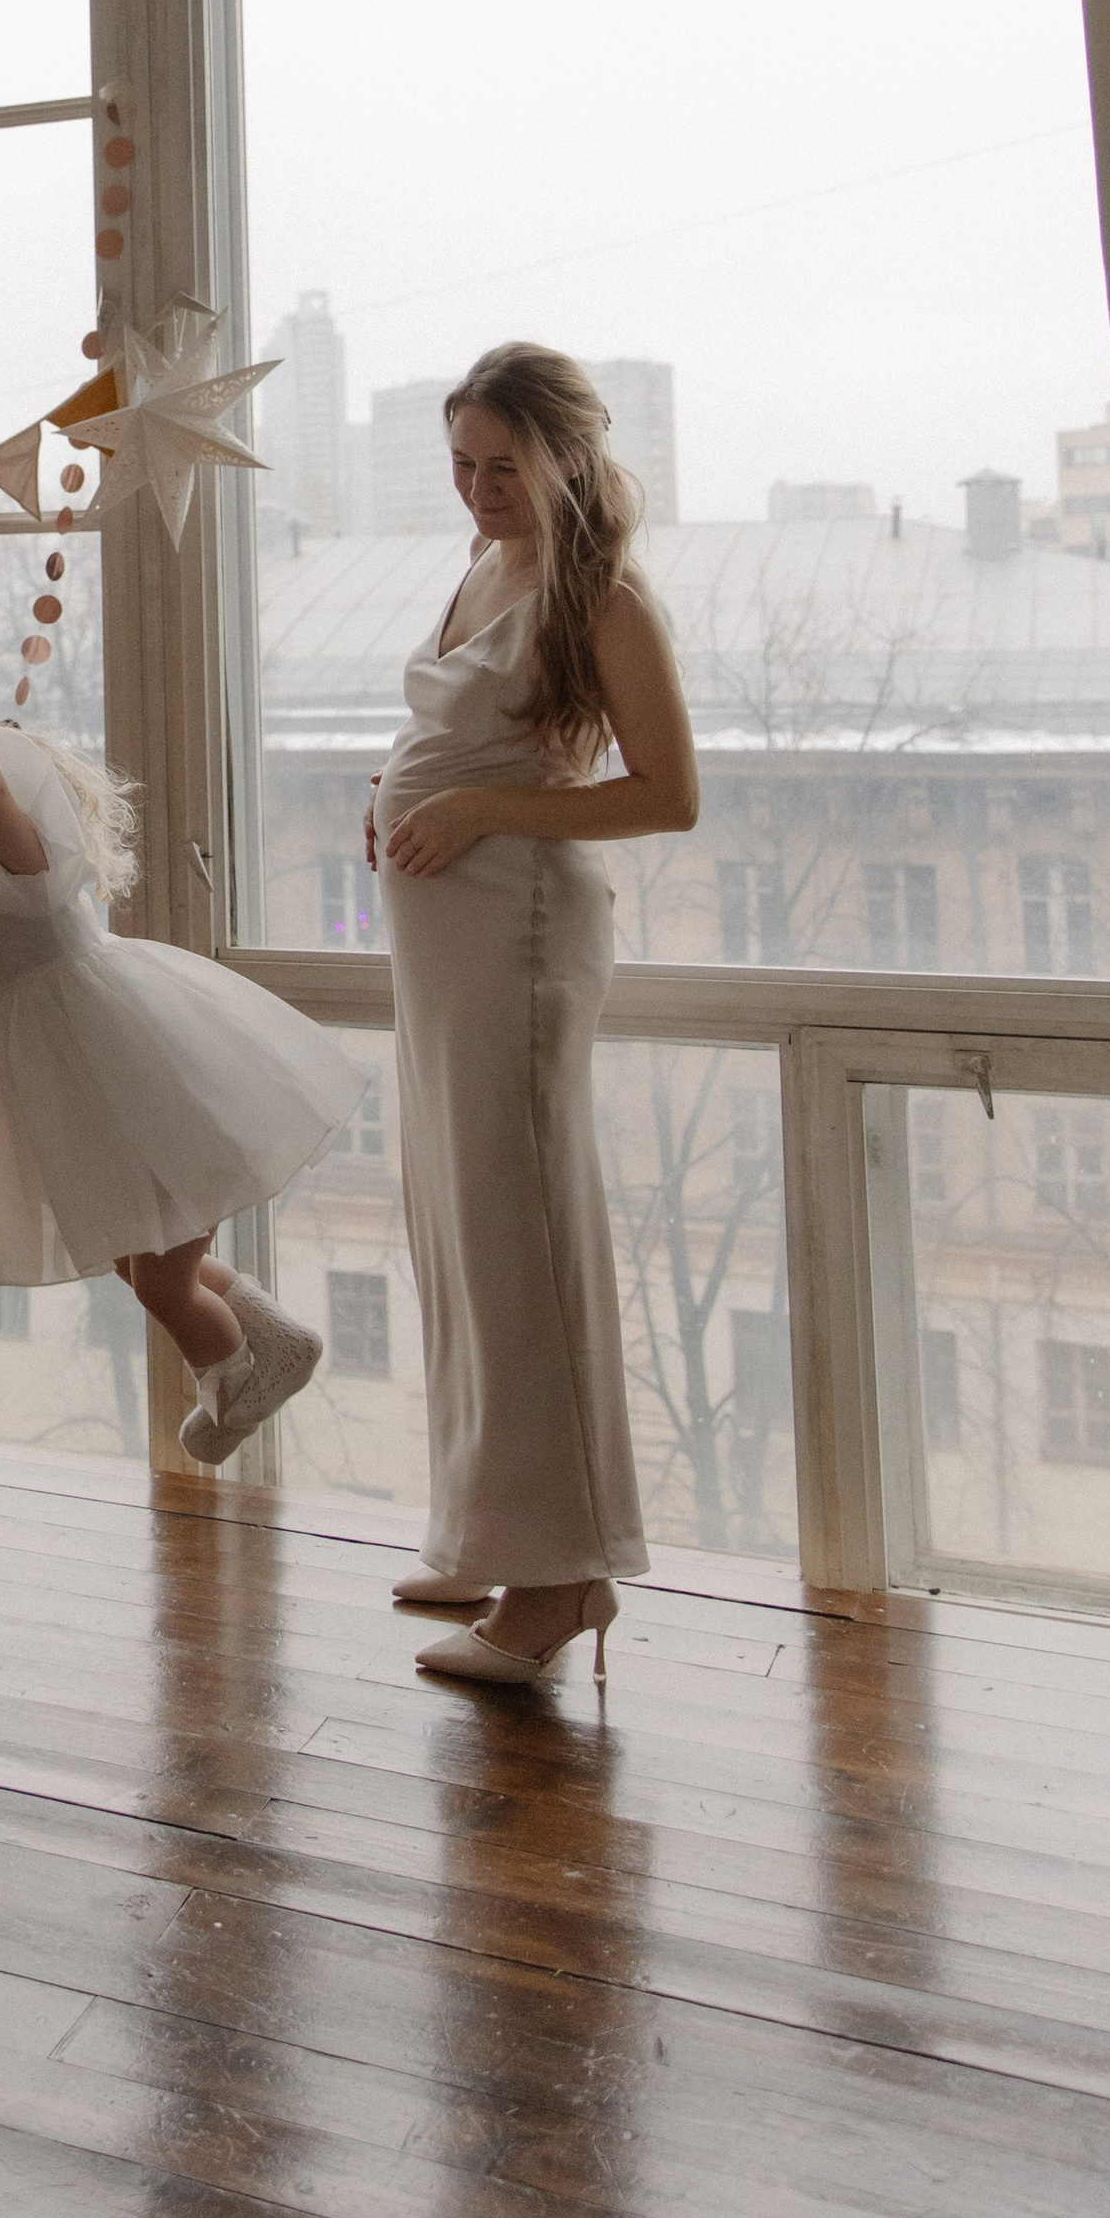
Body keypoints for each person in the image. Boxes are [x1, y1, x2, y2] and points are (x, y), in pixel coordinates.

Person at [367, 341, 698, 1688]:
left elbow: (668, 796)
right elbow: (467, 735)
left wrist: (474, 808)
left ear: (567, 455)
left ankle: (562, 1579)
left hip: (521, 933)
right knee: (452, 1222)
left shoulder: (604, 595)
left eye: (503, 464)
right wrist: (395, 794)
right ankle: (488, 1524)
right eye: (461, 464)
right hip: (446, 934)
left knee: (516, 1231)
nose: (480, 488)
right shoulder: (481, 568)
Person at [0, 648, 367, 1459]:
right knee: (129, 1248)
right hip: (74, 1083)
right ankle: (274, 1339)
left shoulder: (23, 865)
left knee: (159, 1276)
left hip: (137, 1063)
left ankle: (236, 1379)